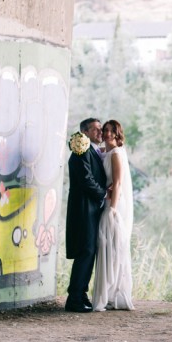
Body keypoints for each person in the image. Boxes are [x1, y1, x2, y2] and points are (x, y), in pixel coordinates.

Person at [92, 119, 135, 311]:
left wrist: (113, 209)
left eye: (111, 131)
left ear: (118, 134)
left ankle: (116, 292)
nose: (107, 134)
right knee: (106, 246)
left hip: (115, 204)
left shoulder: (116, 154)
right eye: (105, 130)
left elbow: (117, 183)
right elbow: (96, 152)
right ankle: (109, 292)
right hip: (106, 201)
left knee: (115, 246)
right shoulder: (105, 152)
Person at [65, 118, 107, 313]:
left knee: (88, 252)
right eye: (96, 129)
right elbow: (86, 180)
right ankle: (74, 299)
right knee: (86, 251)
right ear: (85, 132)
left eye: (101, 128)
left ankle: (80, 294)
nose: (100, 132)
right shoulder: (81, 150)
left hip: (90, 208)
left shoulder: (92, 150)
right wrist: (104, 193)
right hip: (84, 209)